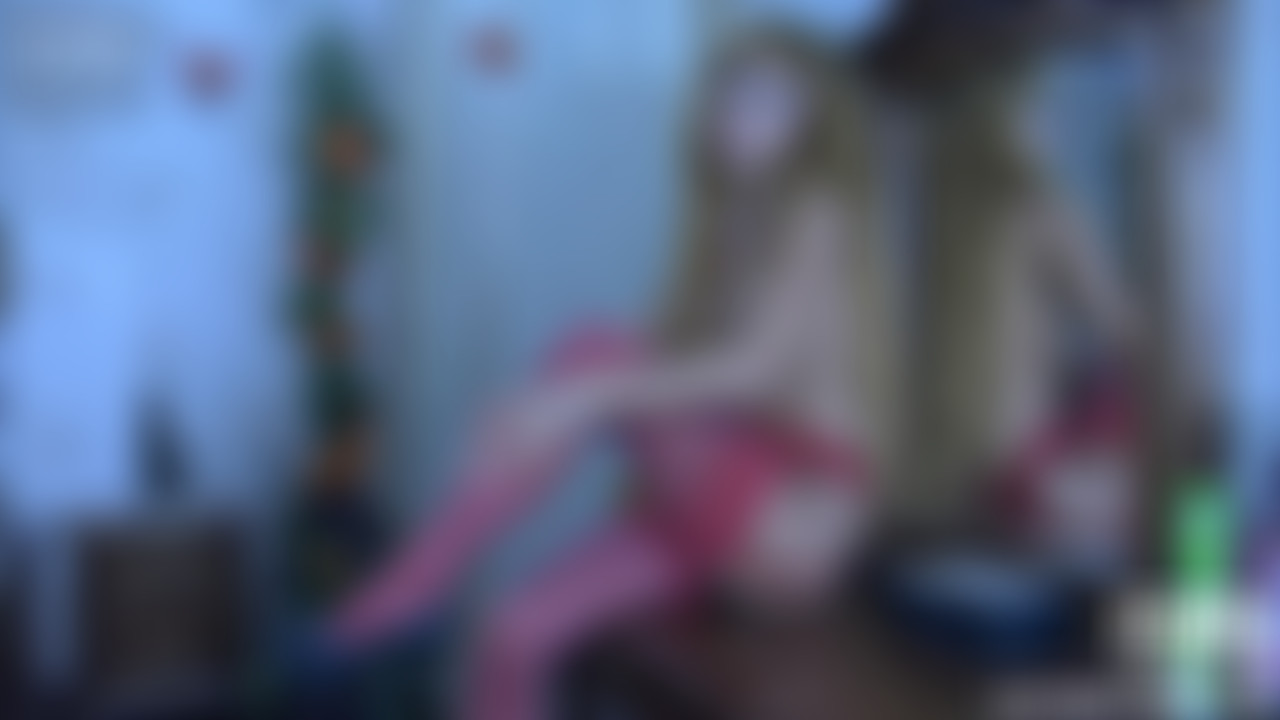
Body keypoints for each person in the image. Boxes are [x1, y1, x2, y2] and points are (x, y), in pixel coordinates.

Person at [324, 27, 897, 720]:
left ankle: (419, 581)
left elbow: (756, 369)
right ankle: (424, 585)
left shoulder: (817, 212)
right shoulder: (731, 224)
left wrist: (575, 400)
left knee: (594, 352)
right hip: (728, 509)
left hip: (793, 519)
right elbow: (698, 390)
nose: (739, 111)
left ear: (816, 124)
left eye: (771, 99)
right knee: (512, 631)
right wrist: (549, 408)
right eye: (731, 91)